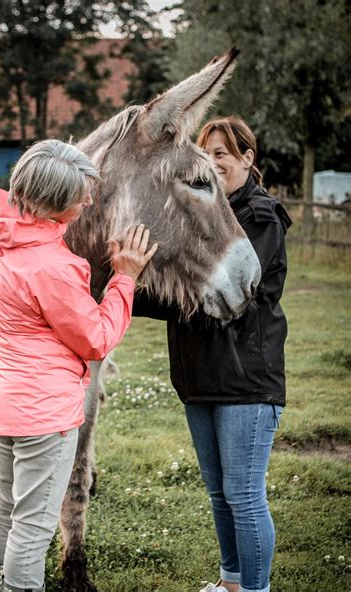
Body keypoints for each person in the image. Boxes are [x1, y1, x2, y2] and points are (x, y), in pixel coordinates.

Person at [0, 139, 158, 592]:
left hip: (3, 403)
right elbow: (95, 340)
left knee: (6, 506)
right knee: (33, 529)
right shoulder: (54, 266)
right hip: (45, 415)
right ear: (55, 206)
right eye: (81, 196)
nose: (90, 201)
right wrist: (125, 278)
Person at [134, 116, 292, 592]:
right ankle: (230, 583)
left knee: (243, 494)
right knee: (221, 493)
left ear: (247, 158)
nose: (213, 161)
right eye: (206, 153)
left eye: (222, 152)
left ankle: (255, 589)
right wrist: (120, 282)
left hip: (246, 378)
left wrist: (131, 289)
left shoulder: (261, 217)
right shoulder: (196, 215)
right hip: (199, 375)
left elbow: (226, 298)